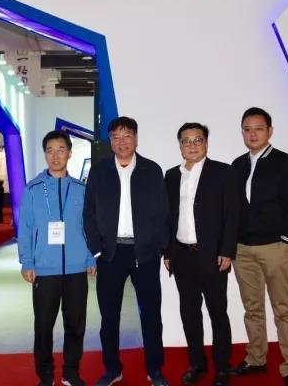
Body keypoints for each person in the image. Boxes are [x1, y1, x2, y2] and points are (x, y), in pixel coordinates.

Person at [83, 116, 170, 386]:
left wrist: (159, 248)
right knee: (109, 317)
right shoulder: (99, 172)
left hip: (144, 253)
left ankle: (155, 369)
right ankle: (112, 369)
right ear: (110, 141)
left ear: (136, 138)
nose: (122, 142)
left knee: (151, 315)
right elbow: (89, 214)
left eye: (127, 135)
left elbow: (164, 213)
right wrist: (96, 250)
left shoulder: (152, 170)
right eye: (116, 137)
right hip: (110, 254)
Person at [230, 107, 288, 386]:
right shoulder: (237, 165)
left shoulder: (286, 163)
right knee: (252, 308)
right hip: (242, 250)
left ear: (269, 131)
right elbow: (231, 208)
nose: (253, 134)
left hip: (274, 248)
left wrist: (285, 239)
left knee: (282, 308)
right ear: (242, 133)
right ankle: (256, 359)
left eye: (258, 128)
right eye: (247, 129)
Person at [18, 130, 97, 386]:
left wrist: (90, 257)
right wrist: (27, 261)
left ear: (69, 153)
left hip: (76, 269)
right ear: (45, 154)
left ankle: (71, 372)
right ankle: (45, 375)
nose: (55, 156)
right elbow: (25, 228)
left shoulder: (81, 189)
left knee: (75, 325)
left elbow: (88, 227)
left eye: (61, 150)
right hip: (44, 269)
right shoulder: (32, 189)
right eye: (50, 151)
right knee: (43, 327)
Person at [163, 123, 238, 386]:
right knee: (190, 313)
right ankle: (197, 363)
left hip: (213, 255)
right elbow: (167, 217)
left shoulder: (223, 172)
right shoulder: (171, 176)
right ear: (180, 145)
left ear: (206, 143)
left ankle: (222, 367)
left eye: (198, 140)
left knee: (218, 312)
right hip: (181, 256)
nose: (192, 145)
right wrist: (168, 251)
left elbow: (232, 214)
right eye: (186, 141)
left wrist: (227, 250)